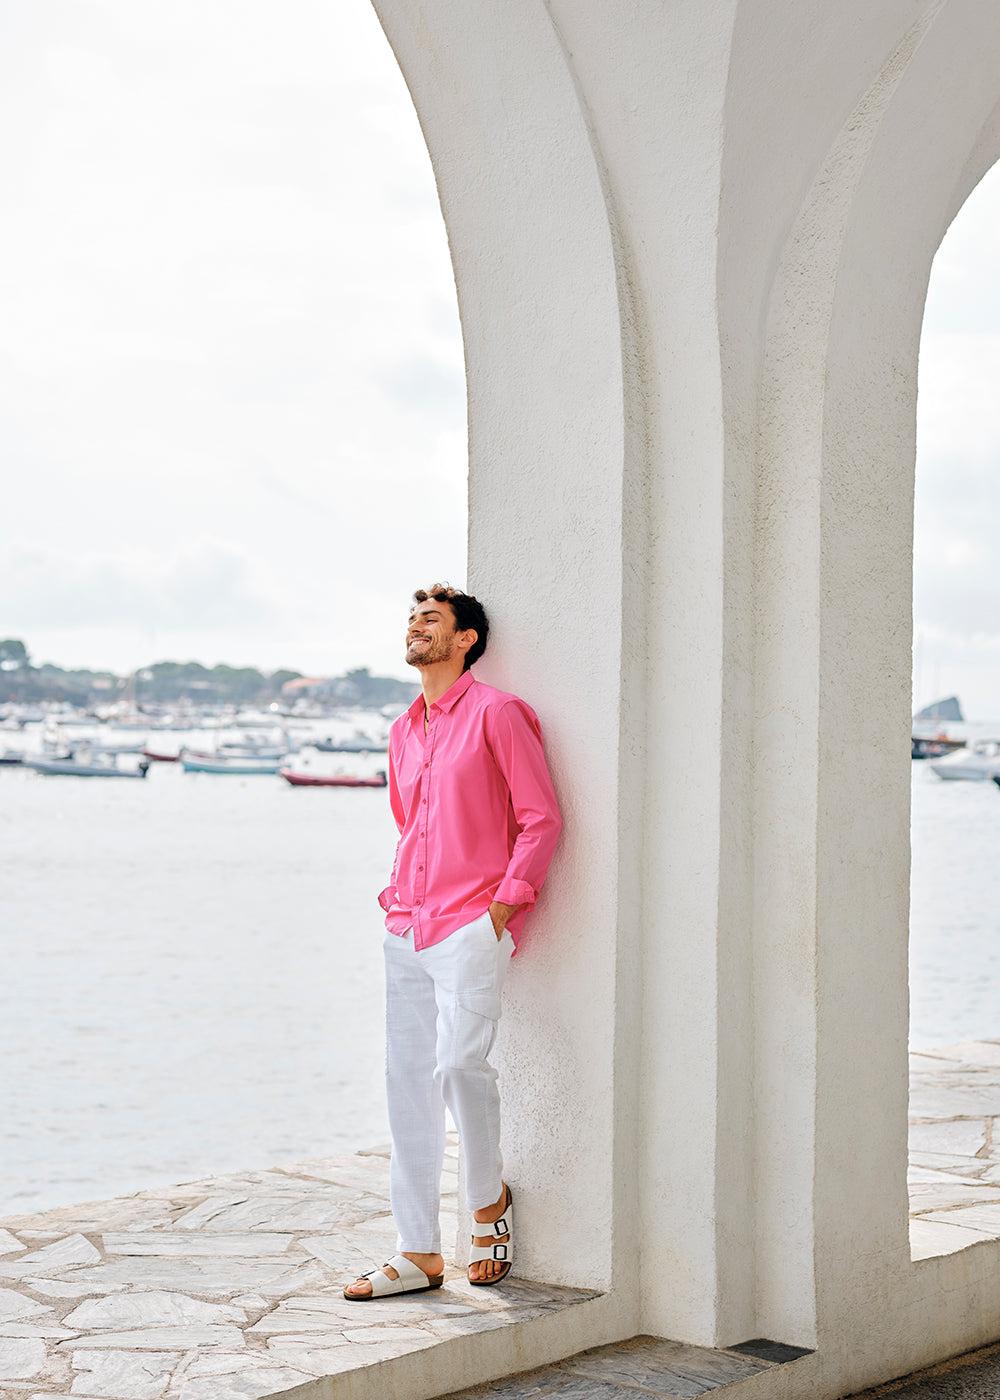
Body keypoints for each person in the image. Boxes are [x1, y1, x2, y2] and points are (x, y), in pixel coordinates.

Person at [344, 584, 561, 1299]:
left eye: (430, 620)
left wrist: (501, 910)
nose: (415, 629)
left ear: (466, 639)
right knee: (404, 1082)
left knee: (456, 1067)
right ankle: (418, 1253)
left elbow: (540, 820)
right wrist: (395, 902)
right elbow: (410, 825)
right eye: (410, 619)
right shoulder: (403, 730)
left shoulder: (499, 714)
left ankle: (486, 1204)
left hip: (471, 923)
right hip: (407, 924)